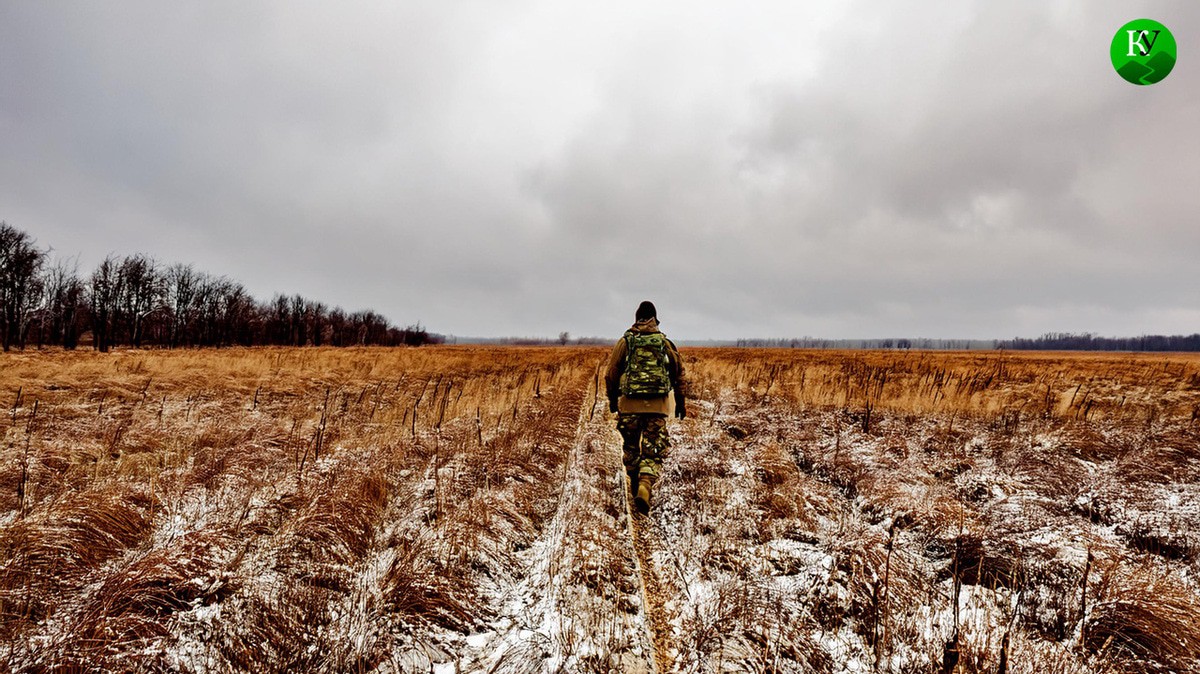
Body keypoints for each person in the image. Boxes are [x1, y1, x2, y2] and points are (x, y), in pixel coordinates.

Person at [605, 300, 686, 514]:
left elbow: (611, 373)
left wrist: (613, 401)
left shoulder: (626, 342)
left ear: (636, 319)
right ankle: (645, 485)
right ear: (655, 319)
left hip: (629, 406)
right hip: (657, 407)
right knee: (653, 450)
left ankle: (634, 484)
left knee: (631, 447)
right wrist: (681, 401)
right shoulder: (664, 343)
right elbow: (678, 374)